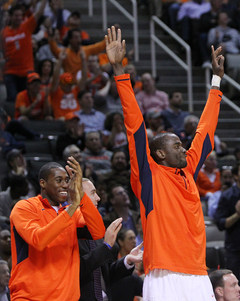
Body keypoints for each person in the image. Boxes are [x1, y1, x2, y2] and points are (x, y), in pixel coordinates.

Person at [105, 26, 224, 300]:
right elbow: (134, 125)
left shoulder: (188, 169)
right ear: (159, 154)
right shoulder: (149, 175)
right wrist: (120, 73)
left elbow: (205, 131)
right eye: (177, 146)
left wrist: (216, 82)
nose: (184, 149)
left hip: (198, 274)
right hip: (164, 274)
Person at [9, 157, 105, 300]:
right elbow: (39, 240)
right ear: (43, 183)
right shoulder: (25, 207)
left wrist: (81, 194)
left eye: (67, 180)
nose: (65, 185)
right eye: (58, 180)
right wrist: (72, 207)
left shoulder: (71, 212)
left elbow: (98, 232)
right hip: (31, 297)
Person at [79, 178, 143, 301]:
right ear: (79, 197)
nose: (98, 198)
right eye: (93, 193)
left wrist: (127, 260)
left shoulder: (96, 231)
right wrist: (106, 245)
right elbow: (80, 270)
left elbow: (105, 275)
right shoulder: (70, 230)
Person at [0, 0, 48, 102]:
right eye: (16, 15)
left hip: (27, 72)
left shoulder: (26, 27)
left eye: (20, 15)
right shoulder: (4, 33)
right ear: (11, 17)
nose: (19, 18)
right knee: (13, 98)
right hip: (10, 72)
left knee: (27, 99)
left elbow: (39, 13)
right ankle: (12, 117)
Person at [214, 163, 240, 281]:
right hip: (235, 249)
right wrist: (237, 215)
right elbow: (220, 224)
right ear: (236, 176)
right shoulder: (227, 196)